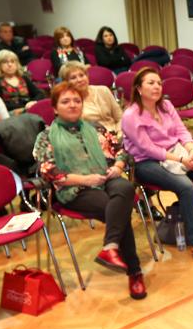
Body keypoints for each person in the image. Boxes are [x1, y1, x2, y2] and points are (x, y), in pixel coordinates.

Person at [33, 82, 144, 300]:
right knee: (116, 208)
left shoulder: (96, 128)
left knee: (124, 187)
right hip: (74, 189)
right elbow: (49, 171)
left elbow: (122, 150)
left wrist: (117, 167)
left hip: (105, 178)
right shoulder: (46, 136)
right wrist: (85, 179)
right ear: (55, 108)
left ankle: (110, 246)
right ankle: (135, 272)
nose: (73, 105)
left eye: (77, 101)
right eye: (66, 101)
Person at [122, 68, 193, 265]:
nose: (156, 86)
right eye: (150, 83)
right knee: (185, 186)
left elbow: (182, 131)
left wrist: (191, 150)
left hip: (177, 152)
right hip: (146, 162)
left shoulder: (165, 105)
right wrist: (182, 160)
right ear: (139, 88)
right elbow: (147, 148)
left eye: (158, 82)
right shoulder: (131, 115)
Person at [58, 61, 121, 135]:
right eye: (73, 78)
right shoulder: (71, 103)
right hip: (94, 139)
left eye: (82, 75)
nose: (79, 80)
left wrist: (119, 133)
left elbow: (120, 117)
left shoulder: (103, 90)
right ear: (66, 82)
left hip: (118, 133)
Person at [0, 49, 44, 115]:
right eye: (5, 62)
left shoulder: (23, 78)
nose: (10, 64)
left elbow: (39, 93)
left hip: (28, 109)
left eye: (12, 61)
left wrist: (32, 102)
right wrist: (24, 107)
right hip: (10, 113)